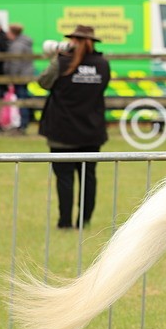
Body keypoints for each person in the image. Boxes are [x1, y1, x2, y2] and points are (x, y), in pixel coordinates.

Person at [36, 25, 109, 229]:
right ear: (92, 41)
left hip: (62, 132)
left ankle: (65, 222)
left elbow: (42, 82)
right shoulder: (103, 64)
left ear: (73, 41)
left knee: (64, 178)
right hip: (91, 131)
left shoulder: (62, 62)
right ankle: (84, 222)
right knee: (88, 177)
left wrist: (58, 58)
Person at [6, 23, 35, 131]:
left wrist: (11, 78)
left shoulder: (17, 45)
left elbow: (15, 62)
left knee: (22, 100)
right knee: (24, 99)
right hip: (26, 75)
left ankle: (23, 125)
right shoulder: (25, 43)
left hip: (20, 77)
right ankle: (24, 123)